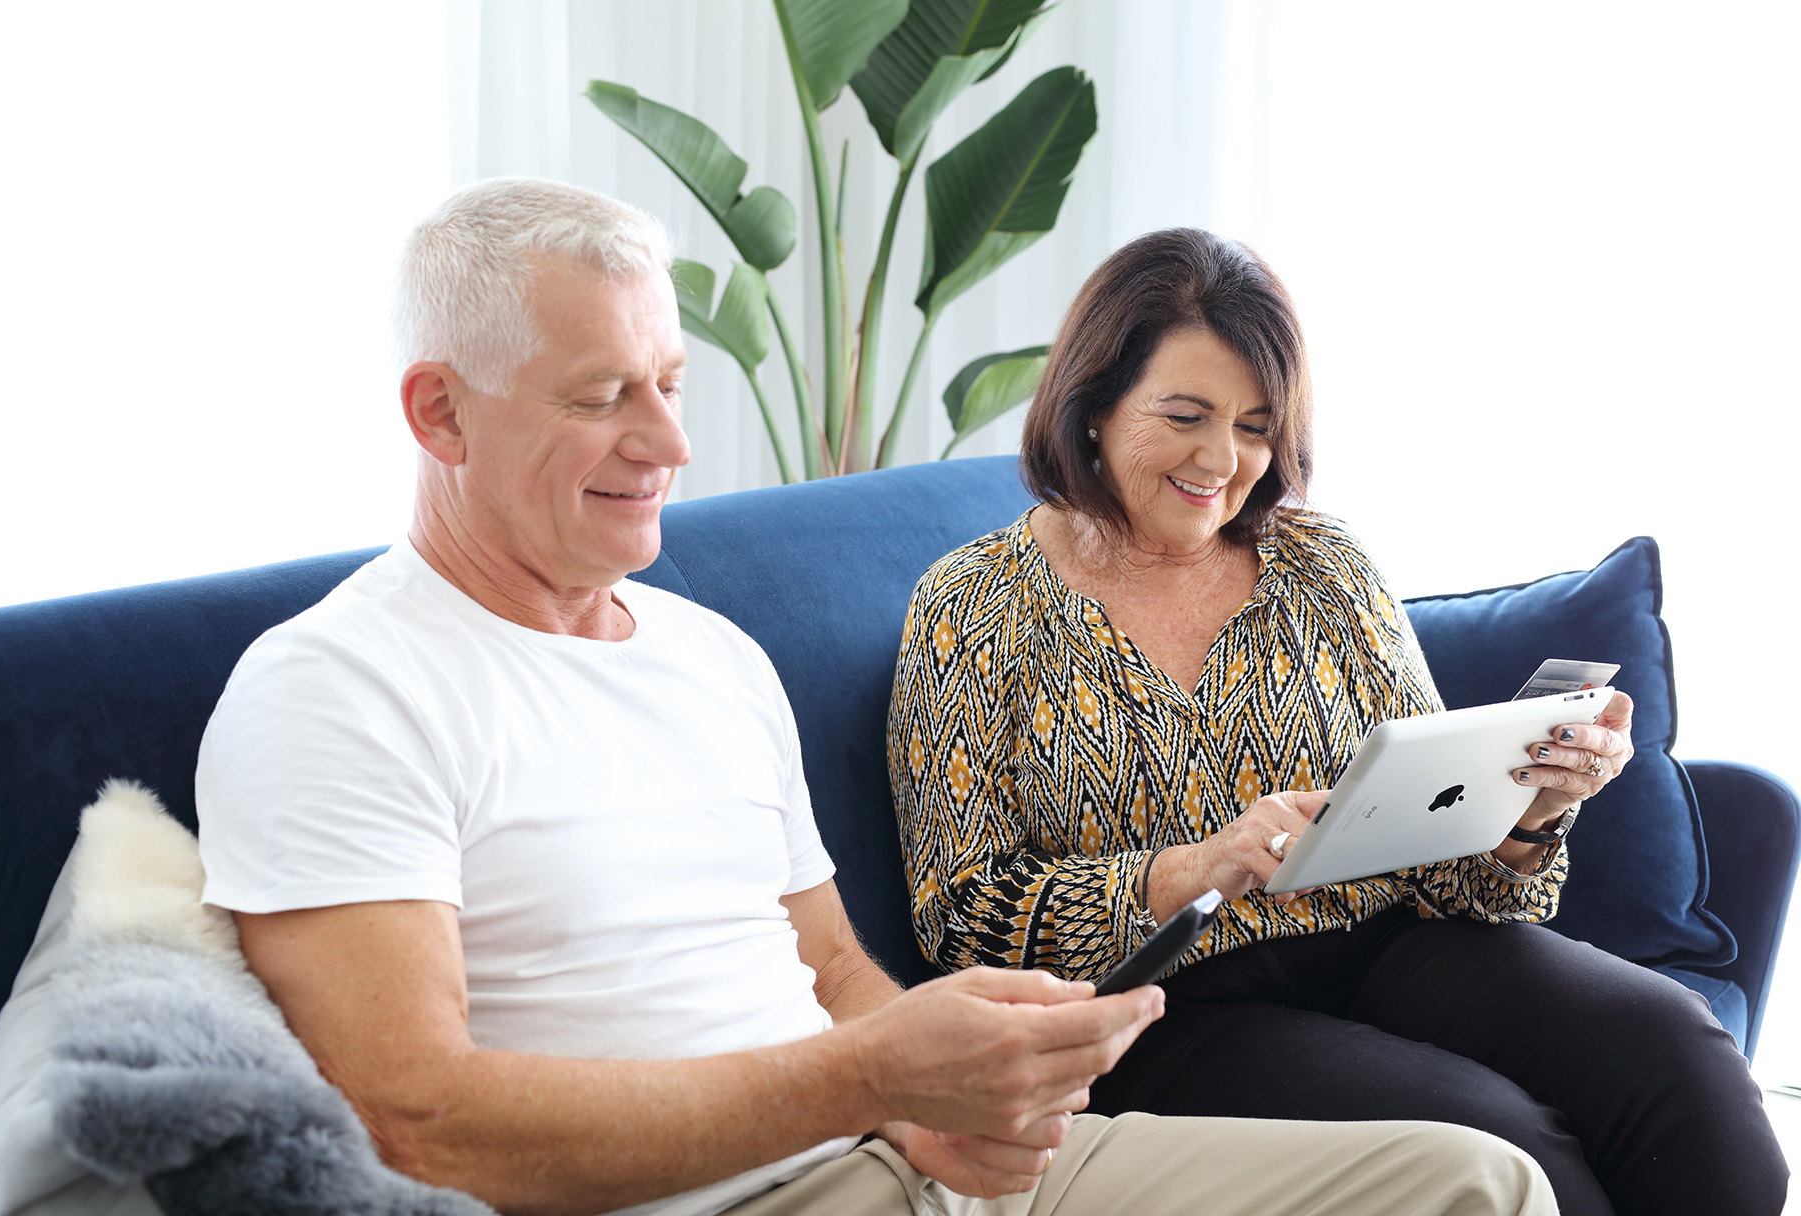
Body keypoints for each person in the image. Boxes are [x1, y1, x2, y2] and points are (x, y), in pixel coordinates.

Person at [192, 181, 1556, 1216]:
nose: (671, 443)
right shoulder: (339, 691)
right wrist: (875, 1081)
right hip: (746, 1192)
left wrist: (937, 1093)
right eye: (604, 397)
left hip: (904, 1157)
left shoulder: (708, 657)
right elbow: (416, 1121)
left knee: (1475, 1184)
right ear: (439, 413)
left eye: (670, 384)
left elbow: (839, 976)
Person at [886, 228, 1789, 1216]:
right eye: (1184, 415)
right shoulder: (974, 607)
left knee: (1686, 1066)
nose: (1221, 459)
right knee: (1505, 1149)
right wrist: (1190, 871)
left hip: (1394, 941)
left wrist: (1527, 811)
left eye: (1256, 426)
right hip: (1173, 1007)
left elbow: (1459, 876)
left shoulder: (1324, 565)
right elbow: (959, 923)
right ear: (1092, 403)